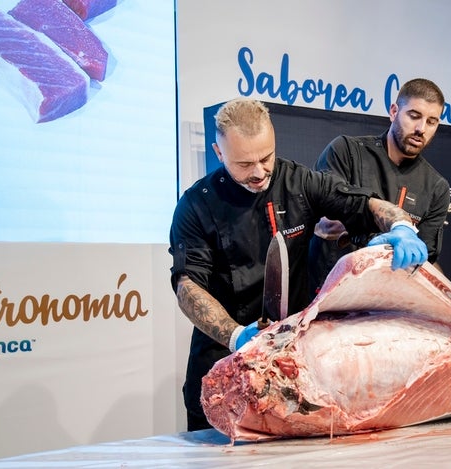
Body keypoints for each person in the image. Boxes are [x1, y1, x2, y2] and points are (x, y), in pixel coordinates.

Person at [169, 97, 428, 431]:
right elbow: (187, 285)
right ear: (220, 154)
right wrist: (235, 336)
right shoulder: (195, 205)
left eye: (266, 157)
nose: (259, 172)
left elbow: (363, 204)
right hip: (223, 356)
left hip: (292, 363)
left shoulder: (299, 182)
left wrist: (401, 227)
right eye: (244, 164)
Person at [308, 78, 450, 296]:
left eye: (432, 122)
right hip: (329, 295)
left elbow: (424, 259)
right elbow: (327, 223)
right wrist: (374, 239)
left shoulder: (437, 187)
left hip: (390, 305)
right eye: (413, 116)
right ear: (394, 111)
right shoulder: (346, 151)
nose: (421, 129)